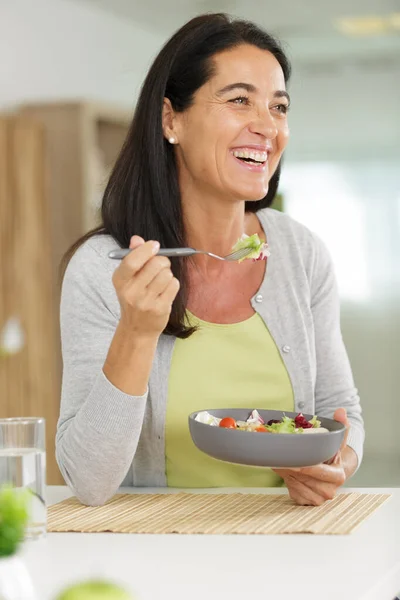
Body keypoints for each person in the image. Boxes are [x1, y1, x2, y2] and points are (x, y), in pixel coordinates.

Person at [56, 13, 364, 507]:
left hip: (290, 542)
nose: (267, 126)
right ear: (170, 119)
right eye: (239, 100)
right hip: (159, 553)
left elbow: (340, 410)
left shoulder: (302, 253)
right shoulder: (102, 269)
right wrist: (136, 332)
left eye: (278, 107)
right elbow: (88, 482)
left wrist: (337, 463)